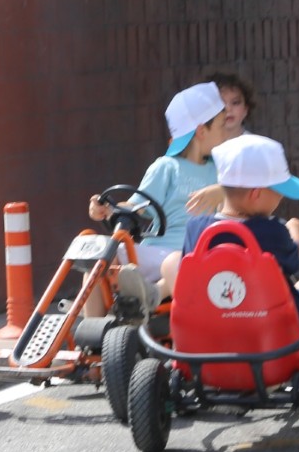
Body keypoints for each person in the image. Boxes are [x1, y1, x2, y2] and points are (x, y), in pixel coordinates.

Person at [88, 82, 232, 307]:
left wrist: (222, 191)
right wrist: (108, 210)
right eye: (223, 126)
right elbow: (137, 206)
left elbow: (244, 199)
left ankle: (151, 294)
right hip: (157, 252)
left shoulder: (220, 170)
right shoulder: (166, 167)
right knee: (98, 253)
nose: (227, 133)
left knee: (181, 263)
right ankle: (94, 329)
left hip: (197, 257)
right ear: (202, 131)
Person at [179, 133, 299, 336]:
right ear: (256, 194)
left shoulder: (195, 228)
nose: (281, 196)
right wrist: (296, 233)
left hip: (210, 333)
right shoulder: (272, 231)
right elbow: (293, 258)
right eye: (278, 191)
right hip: (269, 336)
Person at [196, 69, 257, 142]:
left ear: (246, 109)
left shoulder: (255, 147)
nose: (228, 109)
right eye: (220, 103)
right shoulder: (200, 148)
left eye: (235, 103)